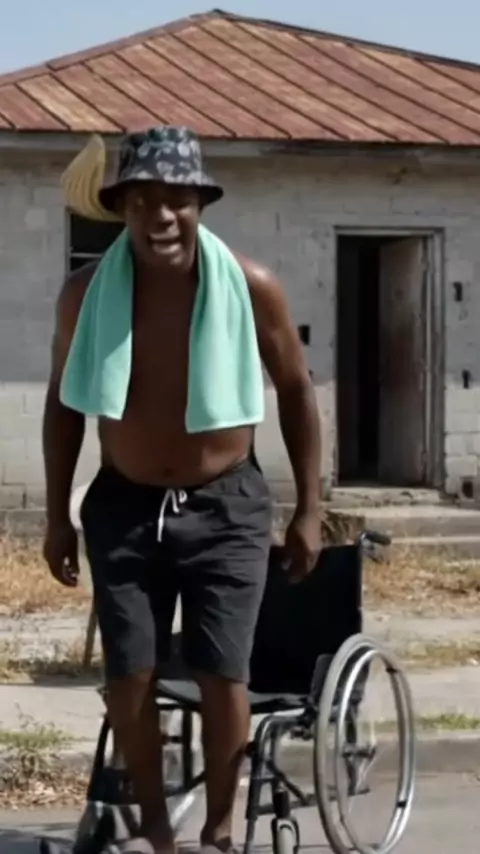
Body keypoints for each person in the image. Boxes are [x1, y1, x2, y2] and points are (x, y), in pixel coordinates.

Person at [42, 126, 321, 854]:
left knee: (221, 673)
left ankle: (221, 830)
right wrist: (56, 516)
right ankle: (160, 833)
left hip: (226, 505)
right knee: (129, 678)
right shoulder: (85, 296)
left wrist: (309, 509)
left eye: (176, 201)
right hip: (124, 506)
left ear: (200, 205)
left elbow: (296, 389)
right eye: (142, 202)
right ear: (120, 209)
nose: (160, 217)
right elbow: (64, 403)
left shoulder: (251, 287)